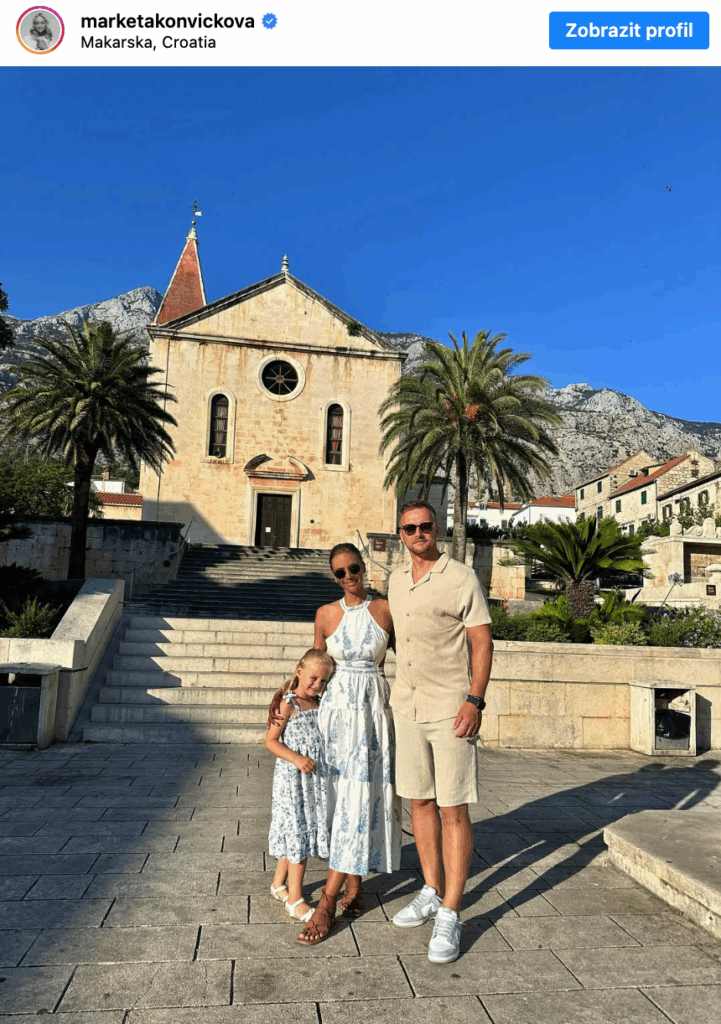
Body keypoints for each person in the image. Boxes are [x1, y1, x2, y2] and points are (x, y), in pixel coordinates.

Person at [388, 500, 493, 964]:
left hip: (451, 709)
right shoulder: (395, 580)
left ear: (438, 528)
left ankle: (451, 910)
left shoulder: (461, 578)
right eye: (410, 528)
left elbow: (482, 641)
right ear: (401, 534)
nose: (418, 533)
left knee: (453, 808)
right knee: (419, 801)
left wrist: (475, 699)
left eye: (425, 526)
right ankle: (431, 889)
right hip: (406, 706)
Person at [296, 542, 402, 944]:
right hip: (336, 716)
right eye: (339, 572)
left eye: (353, 568)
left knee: (361, 797)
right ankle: (353, 886)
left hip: (372, 715)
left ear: (363, 567)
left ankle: (327, 902)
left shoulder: (386, 609)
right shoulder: (325, 614)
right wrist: (290, 702)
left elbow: (411, 657)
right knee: (342, 798)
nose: (348, 577)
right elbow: (315, 667)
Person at [266, 648, 334, 923]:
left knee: (295, 830)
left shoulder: (318, 703)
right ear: (299, 672)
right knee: (298, 833)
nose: (317, 684)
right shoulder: (288, 703)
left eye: (324, 680)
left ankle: (278, 884)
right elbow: (270, 741)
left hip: (312, 782)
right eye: (313, 678)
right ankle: (294, 899)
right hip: (293, 782)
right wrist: (296, 758)